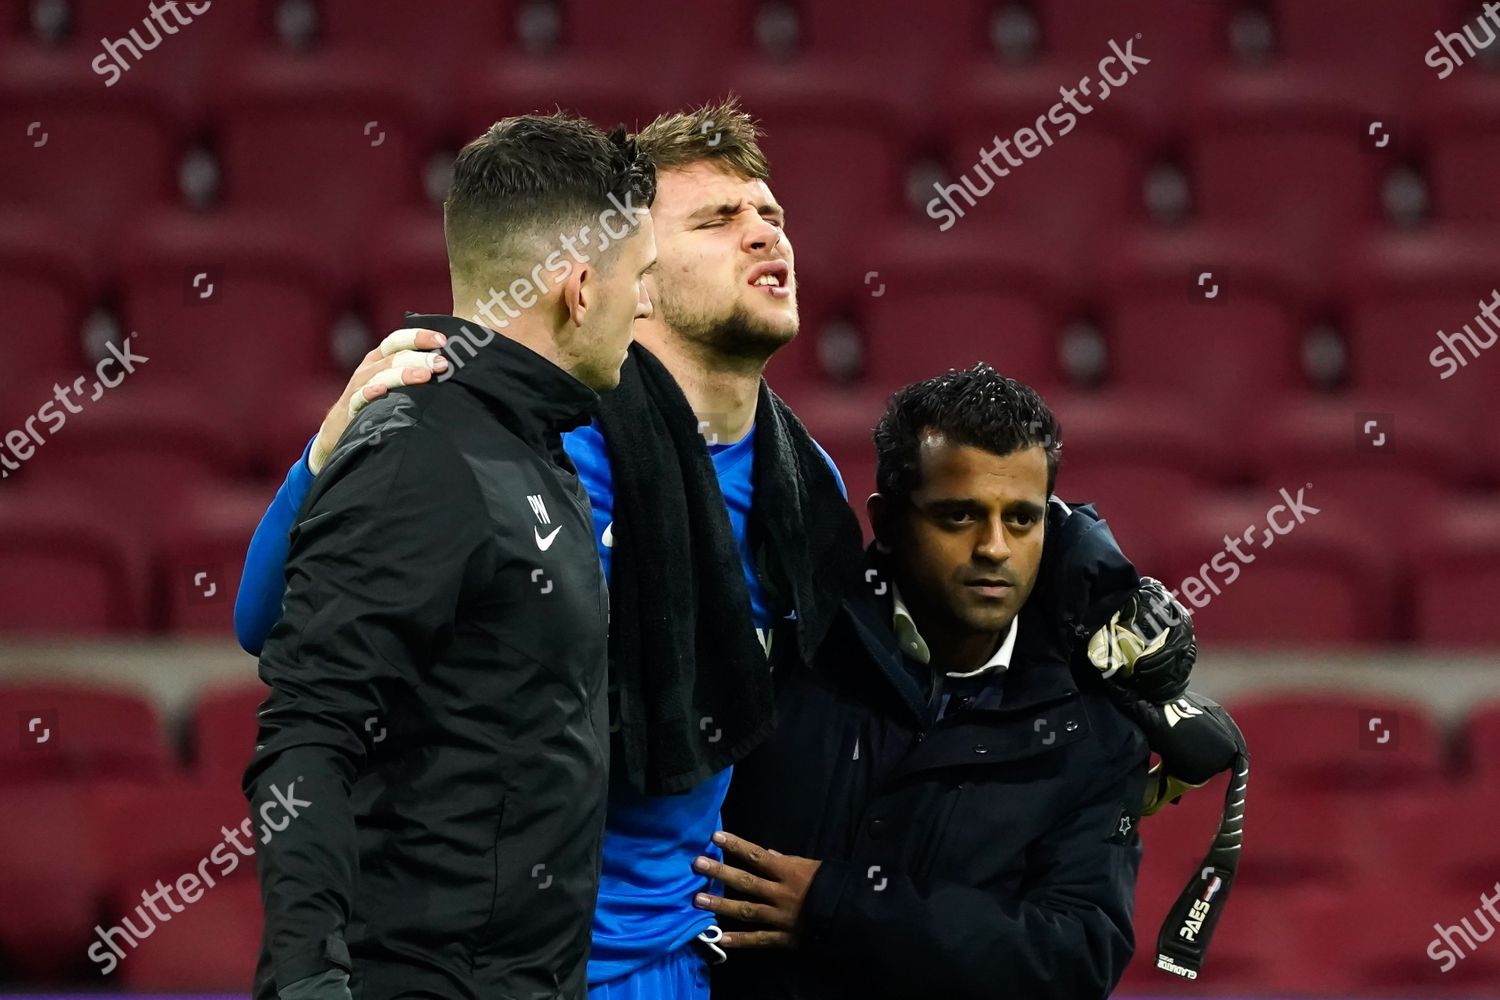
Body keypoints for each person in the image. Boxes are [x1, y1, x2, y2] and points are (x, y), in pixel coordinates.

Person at [235, 100, 1195, 1000]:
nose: (765, 232)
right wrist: (326, 455)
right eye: (718, 218)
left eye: (770, 211)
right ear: (631, 275)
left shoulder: (802, 485)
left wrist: (1099, 691)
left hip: (683, 961)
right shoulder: (524, 444)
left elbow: (905, 672)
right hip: (493, 962)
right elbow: (272, 629)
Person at [243, 113, 657, 1000]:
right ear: (581, 289)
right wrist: (309, 983)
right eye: (640, 280)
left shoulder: (533, 448)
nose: (645, 306)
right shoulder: (421, 458)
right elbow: (309, 733)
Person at [695, 366, 1198, 999]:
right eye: (958, 516)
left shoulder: (1095, 723)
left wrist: (838, 906)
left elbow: (1074, 956)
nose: (994, 548)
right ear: (888, 521)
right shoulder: (791, 644)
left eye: (1021, 519)